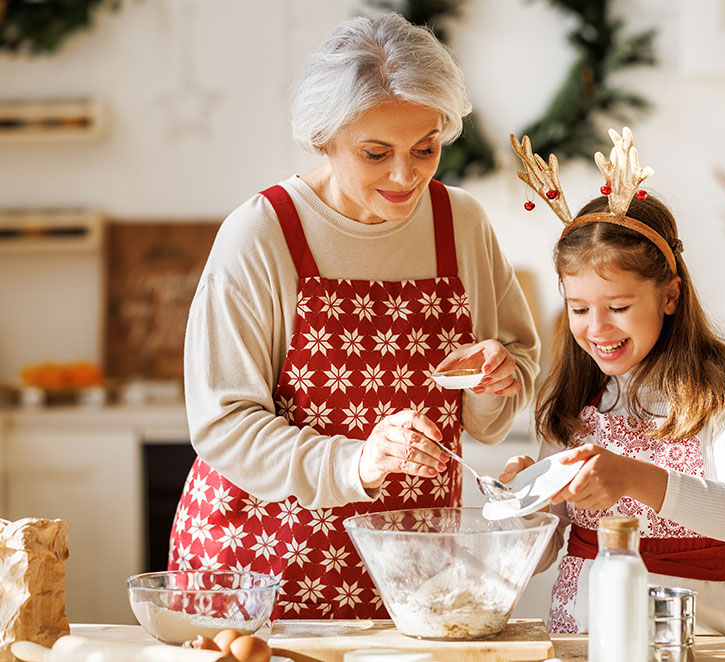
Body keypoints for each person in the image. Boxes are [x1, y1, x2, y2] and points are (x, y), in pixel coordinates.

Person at [168, 13, 540, 619]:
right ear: (324, 137)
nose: (405, 175)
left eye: (425, 149)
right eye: (376, 153)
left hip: (414, 564)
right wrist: (354, 462)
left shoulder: (460, 223)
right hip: (264, 564)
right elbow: (223, 422)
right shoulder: (262, 234)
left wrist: (496, 379)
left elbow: (502, 389)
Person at [502, 128, 725, 635]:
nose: (597, 328)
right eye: (579, 308)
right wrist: (526, 506)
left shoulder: (722, 390)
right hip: (583, 633)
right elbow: (539, 557)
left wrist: (632, 478)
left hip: (698, 636)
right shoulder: (572, 398)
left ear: (669, 296)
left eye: (619, 307)